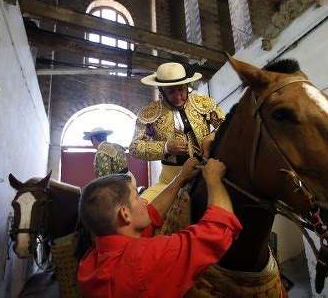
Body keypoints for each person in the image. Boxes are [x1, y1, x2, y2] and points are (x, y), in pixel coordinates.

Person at [77, 158, 242, 298]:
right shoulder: (143, 260)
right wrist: (213, 178)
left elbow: (151, 214)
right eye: (137, 196)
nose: (144, 201)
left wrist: (180, 177)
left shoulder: (89, 262)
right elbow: (218, 230)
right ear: (125, 214)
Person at [129, 62, 225, 202]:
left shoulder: (203, 103)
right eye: (171, 91)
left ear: (187, 87)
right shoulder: (149, 113)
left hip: (207, 170)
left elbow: (226, 125)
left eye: (181, 89)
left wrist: (212, 135)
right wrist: (166, 147)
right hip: (169, 179)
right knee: (144, 210)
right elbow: (134, 148)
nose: (178, 96)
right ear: (161, 91)